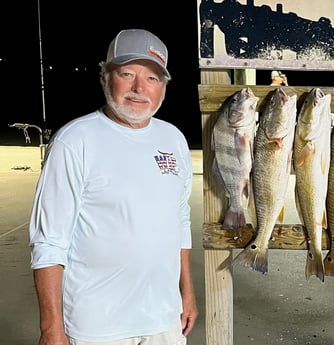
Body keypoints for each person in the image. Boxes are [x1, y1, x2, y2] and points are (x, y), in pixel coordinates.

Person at [28, 28, 198, 344]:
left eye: (152, 78)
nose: (138, 88)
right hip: (96, 324)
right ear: (105, 77)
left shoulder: (173, 139)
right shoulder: (74, 141)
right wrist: (51, 328)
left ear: (163, 87)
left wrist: (186, 291)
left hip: (164, 320)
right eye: (126, 73)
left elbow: (179, 221)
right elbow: (48, 240)